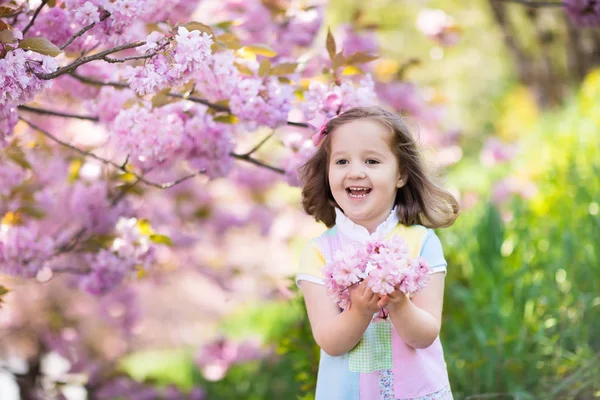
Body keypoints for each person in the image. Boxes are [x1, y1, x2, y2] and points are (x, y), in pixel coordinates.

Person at [296, 106, 460, 400]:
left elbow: (424, 335)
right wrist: (359, 311)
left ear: (401, 174)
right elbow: (330, 342)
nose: (355, 171)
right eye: (342, 161)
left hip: (416, 391)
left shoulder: (422, 243)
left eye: (372, 161)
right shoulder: (319, 252)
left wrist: (399, 304)